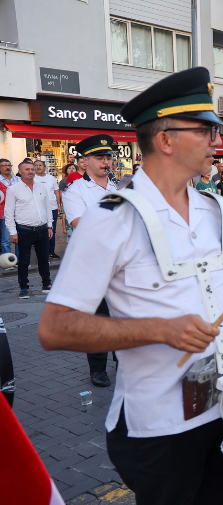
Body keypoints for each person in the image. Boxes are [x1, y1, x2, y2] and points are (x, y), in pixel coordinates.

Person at [37, 67, 223, 505]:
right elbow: (54, 328)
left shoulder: (215, 207)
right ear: (166, 139)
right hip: (159, 426)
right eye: (205, 129)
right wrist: (160, 329)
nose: (217, 139)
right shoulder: (110, 217)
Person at [62, 135, 121, 386]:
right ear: (85, 162)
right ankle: (97, 369)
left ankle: (125, 362)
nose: (105, 162)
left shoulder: (119, 187)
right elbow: (81, 224)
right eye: (99, 158)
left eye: (108, 157)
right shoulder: (75, 191)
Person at [5, 159, 53, 299]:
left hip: (43, 229)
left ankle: (47, 284)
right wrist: (13, 232)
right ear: (20, 172)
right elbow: (9, 213)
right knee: (24, 261)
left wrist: (49, 225)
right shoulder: (13, 189)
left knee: (44, 259)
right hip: (24, 230)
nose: (31, 171)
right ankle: (24, 288)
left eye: (32, 169)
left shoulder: (41, 187)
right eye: (27, 169)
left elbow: (48, 208)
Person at [33, 160, 62, 259]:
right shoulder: (32, 178)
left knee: (52, 230)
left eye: (40, 165)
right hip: (38, 208)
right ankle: (41, 252)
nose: (38, 167)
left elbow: (56, 192)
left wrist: (59, 205)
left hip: (52, 207)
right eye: (36, 165)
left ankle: (51, 251)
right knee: (39, 231)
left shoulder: (51, 178)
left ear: (45, 167)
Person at [0, 158, 19, 255]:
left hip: (19, 213)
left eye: (9, 165)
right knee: (6, 239)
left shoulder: (18, 179)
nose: (7, 167)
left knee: (20, 238)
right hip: (4, 214)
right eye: (4, 165)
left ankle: (20, 261)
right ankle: (8, 261)